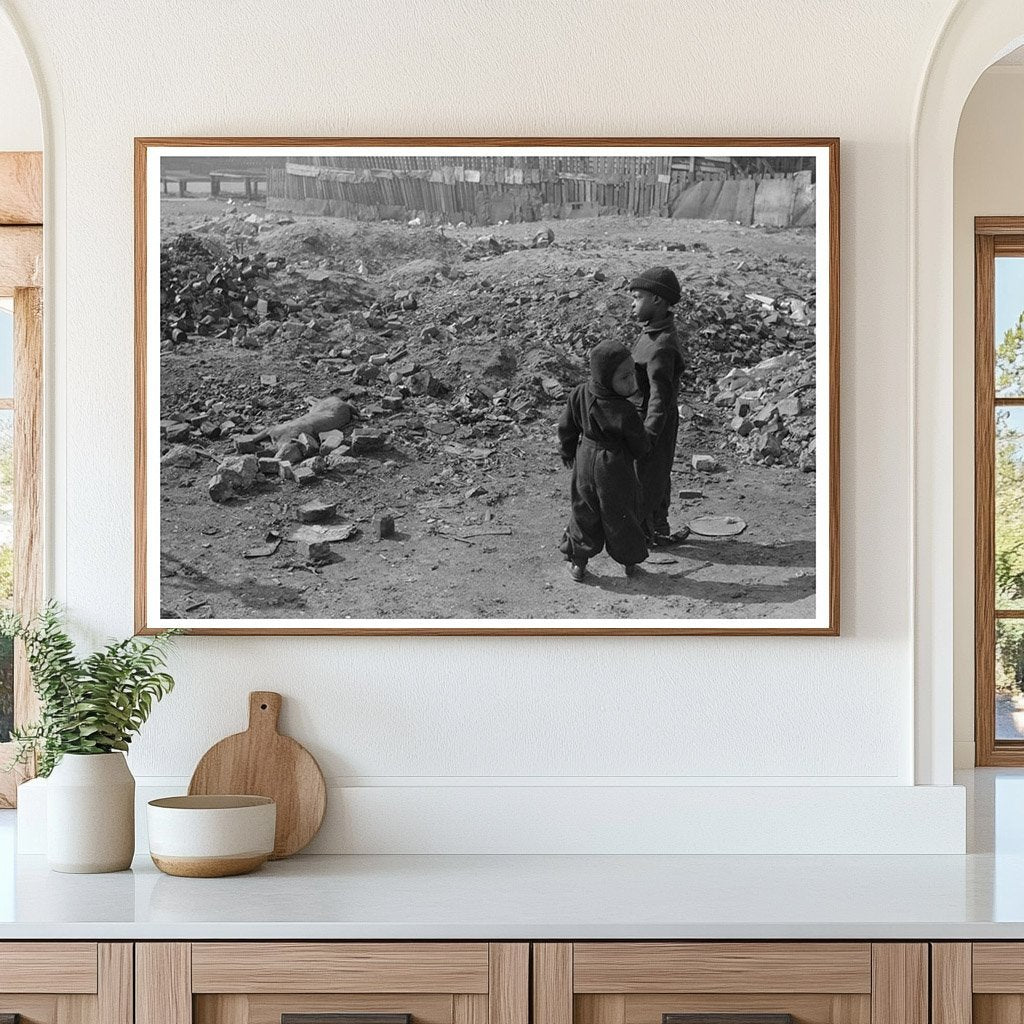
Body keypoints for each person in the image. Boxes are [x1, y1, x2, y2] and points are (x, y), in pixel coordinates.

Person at [557, 339, 650, 582]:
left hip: (585, 459)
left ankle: (578, 563)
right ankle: (630, 563)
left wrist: (567, 451)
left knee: (584, 509)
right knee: (621, 513)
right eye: (624, 377)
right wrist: (641, 455)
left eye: (632, 374)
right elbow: (639, 444)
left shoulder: (579, 393)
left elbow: (567, 427)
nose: (632, 382)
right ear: (605, 377)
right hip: (613, 466)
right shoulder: (625, 411)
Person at [629, 265, 689, 546]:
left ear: (657, 300)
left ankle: (646, 534)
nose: (633, 304)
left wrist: (648, 436)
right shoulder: (651, 333)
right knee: (652, 475)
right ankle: (657, 528)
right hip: (644, 420)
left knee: (649, 478)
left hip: (653, 425)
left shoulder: (662, 345)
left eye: (637, 297)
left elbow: (660, 398)